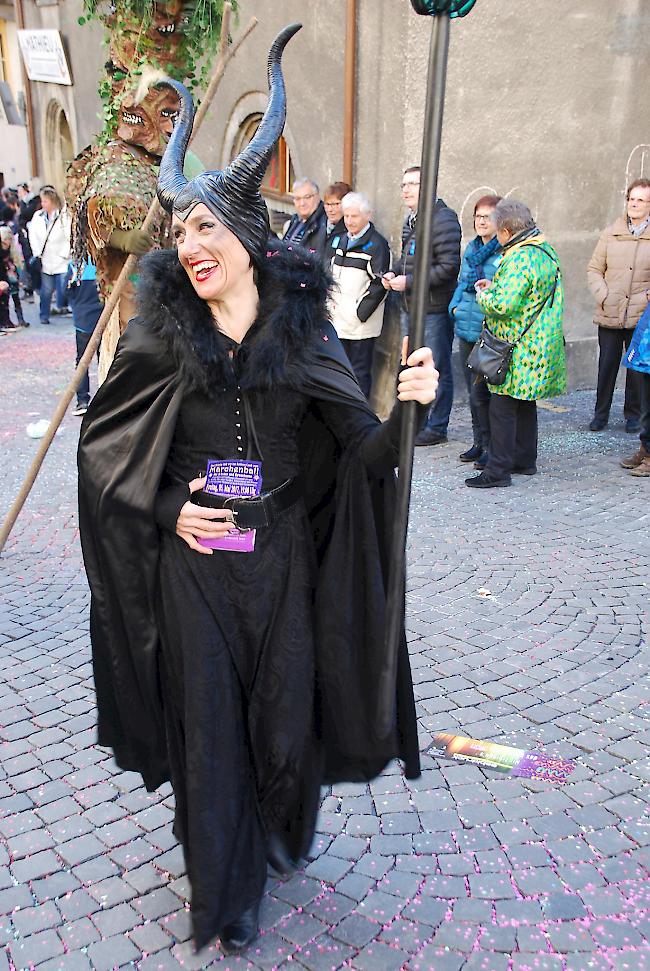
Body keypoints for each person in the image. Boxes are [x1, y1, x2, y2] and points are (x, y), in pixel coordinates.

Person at [78, 26, 438, 957]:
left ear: (244, 237)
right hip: (195, 566)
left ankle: (280, 830)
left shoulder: (303, 340)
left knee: (283, 715)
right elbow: (105, 448)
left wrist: (403, 408)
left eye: (204, 229)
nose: (188, 246)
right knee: (208, 730)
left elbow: (362, 456)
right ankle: (224, 890)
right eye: (180, 231)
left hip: (280, 561)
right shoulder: (160, 340)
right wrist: (165, 509)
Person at [466, 200, 566, 488]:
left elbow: (503, 304)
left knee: (502, 407)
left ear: (507, 231)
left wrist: (484, 294)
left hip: (517, 347)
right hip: (539, 343)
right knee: (524, 404)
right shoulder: (545, 250)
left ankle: (497, 470)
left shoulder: (520, 257)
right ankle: (525, 460)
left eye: (498, 231)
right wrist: (495, 285)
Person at [382, 165, 461, 446]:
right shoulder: (412, 220)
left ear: (429, 187)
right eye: (403, 184)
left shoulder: (444, 219)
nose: (406, 189)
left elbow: (449, 267)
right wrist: (393, 274)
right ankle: (415, 421)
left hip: (433, 309)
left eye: (413, 184)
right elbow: (407, 262)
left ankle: (437, 427)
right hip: (409, 306)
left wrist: (410, 282)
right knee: (411, 364)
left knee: (436, 367)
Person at [587, 178, 650, 433]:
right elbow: (594, 269)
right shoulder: (611, 233)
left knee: (635, 368)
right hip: (610, 311)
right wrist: (604, 295)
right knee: (607, 365)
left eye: (640, 200)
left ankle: (633, 415)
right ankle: (600, 414)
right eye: (631, 199)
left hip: (639, 314)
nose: (634, 204)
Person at [449, 194, 502, 465]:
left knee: (485, 393)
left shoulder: (501, 253)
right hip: (466, 328)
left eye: (487, 217)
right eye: (478, 216)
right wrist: (454, 306)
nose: (481, 221)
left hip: (487, 330)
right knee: (473, 393)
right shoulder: (471, 249)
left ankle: (492, 447)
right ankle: (478, 442)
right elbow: (461, 281)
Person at [328, 192, 391, 397]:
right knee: (340, 371)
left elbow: (380, 284)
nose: (349, 221)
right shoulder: (340, 240)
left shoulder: (377, 244)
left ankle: (360, 417)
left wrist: (359, 312)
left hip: (360, 325)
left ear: (367, 216)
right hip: (338, 320)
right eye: (346, 216)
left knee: (359, 373)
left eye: (354, 216)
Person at [28, 186, 72, 324]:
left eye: (45, 201)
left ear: (52, 201)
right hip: (45, 258)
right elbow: (33, 235)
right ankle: (44, 315)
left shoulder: (63, 216)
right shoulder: (38, 217)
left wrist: (66, 253)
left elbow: (69, 235)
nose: (43, 204)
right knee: (46, 290)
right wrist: (37, 253)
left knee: (65, 287)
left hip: (61, 258)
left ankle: (65, 307)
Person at [67, 260, 104, 416]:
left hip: (83, 320)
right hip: (104, 318)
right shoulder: (105, 263)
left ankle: (82, 400)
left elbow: (66, 292)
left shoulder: (75, 265)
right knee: (106, 359)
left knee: (82, 361)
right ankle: (108, 400)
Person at [283, 177, 327, 251]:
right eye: (298, 198)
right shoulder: (296, 219)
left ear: (317, 197)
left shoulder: (324, 223)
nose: (302, 203)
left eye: (307, 197)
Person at [0, 226, 27, 327]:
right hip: (4, 278)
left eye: (9, 239)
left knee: (16, 298)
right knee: (4, 301)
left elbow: (18, 263)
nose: (8, 241)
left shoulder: (12, 250)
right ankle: (6, 321)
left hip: (12, 277)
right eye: (5, 239)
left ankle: (20, 319)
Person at [320, 180, 352, 263]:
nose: (330, 209)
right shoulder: (319, 227)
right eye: (327, 204)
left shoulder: (351, 231)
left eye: (336, 204)